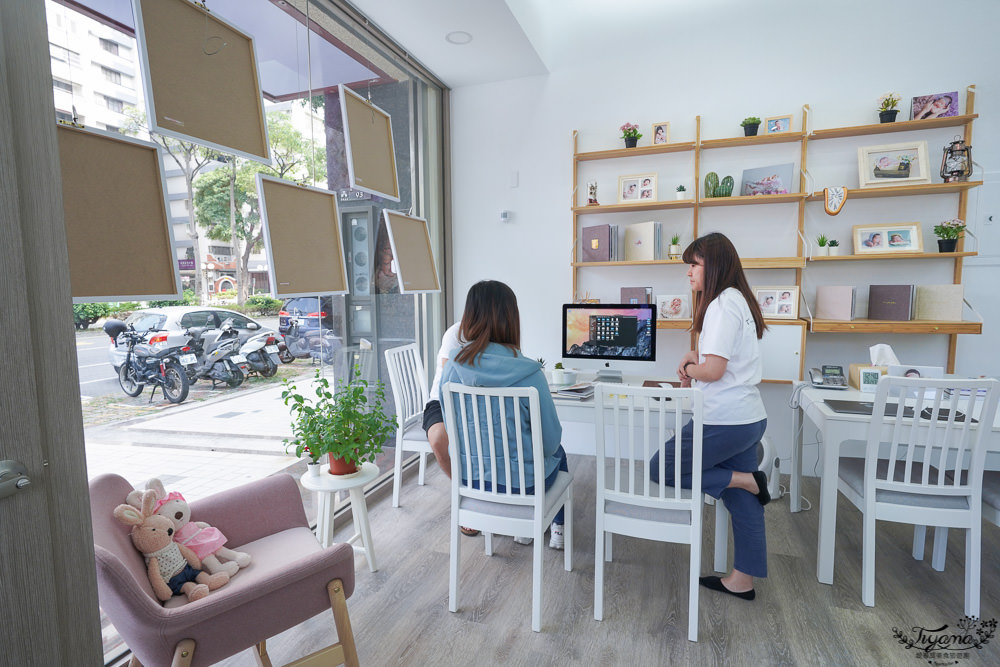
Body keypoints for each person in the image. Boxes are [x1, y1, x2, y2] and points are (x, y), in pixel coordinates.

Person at [649, 232, 769, 600]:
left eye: (694, 264)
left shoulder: (720, 305)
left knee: (660, 468)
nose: (688, 272)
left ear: (713, 266)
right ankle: (742, 580)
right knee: (740, 499)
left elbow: (714, 370)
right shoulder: (737, 302)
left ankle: (747, 479)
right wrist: (693, 361)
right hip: (747, 417)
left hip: (724, 420)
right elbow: (719, 365)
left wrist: (689, 367)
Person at [438, 280, 569, 549]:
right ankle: (557, 528)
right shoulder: (531, 374)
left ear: (469, 317)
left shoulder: (452, 368)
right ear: (512, 318)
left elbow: (453, 431)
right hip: (526, 486)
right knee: (561, 453)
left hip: (472, 480)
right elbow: (550, 442)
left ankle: (525, 529)